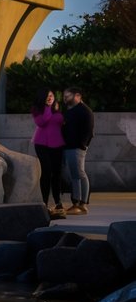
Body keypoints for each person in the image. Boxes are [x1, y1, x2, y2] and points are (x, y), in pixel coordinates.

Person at [30, 89, 65, 216]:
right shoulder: (37, 109)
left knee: (57, 173)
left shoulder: (59, 109)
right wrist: (49, 108)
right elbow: (42, 122)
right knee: (46, 172)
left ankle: (58, 201)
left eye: (51, 95)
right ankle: (44, 202)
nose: (50, 97)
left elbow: (63, 123)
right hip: (41, 144)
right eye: (47, 96)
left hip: (58, 144)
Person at [61, 87, 94, 215]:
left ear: (78, 96)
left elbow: (89, 131)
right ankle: (77, 203)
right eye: (64, 96)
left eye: (68, 96)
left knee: (79, 174)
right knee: (75, 175)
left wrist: (82, 145)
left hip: (76, 148)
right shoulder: (69, 110)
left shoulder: (85, 111)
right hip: (68, 147)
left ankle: (82, 204)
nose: (65, 98)